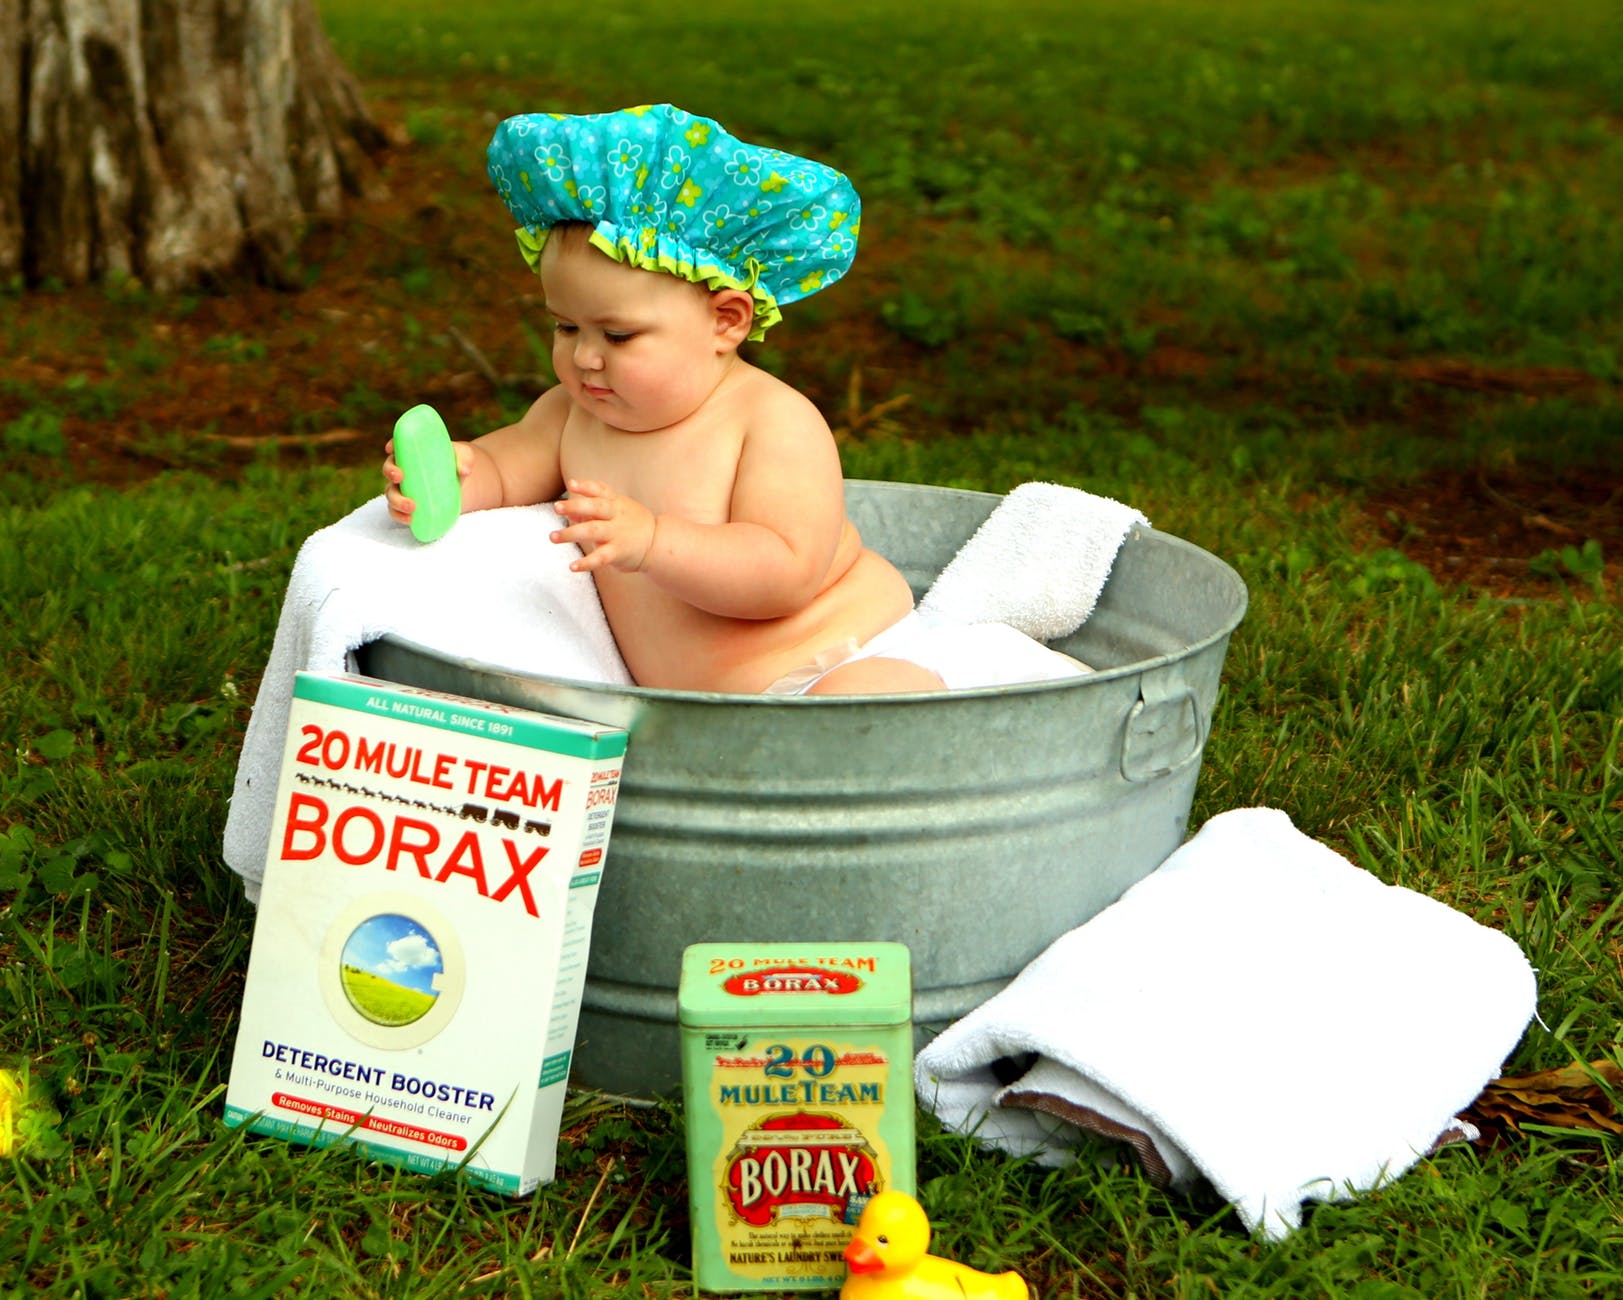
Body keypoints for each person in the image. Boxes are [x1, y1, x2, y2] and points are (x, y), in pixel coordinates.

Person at [384, 105, 1083, 695]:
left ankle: (989, 692)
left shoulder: (768, 421)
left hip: (838, 655)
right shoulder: (575, 410)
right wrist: (456, 473)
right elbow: (510, 470)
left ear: (726, 321)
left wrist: (654, 541)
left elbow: (782, 573)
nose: (584, 357)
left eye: (618, 334)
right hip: (713, 707)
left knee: (873, 703)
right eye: (565, 327)